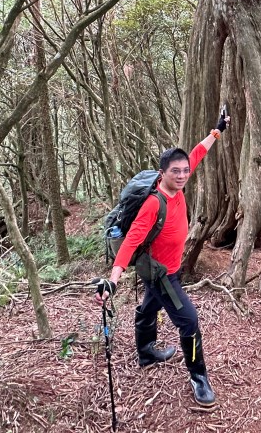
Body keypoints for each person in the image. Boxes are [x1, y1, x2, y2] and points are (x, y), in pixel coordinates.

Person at [94, 110, 229, 408]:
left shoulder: (180, 179)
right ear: (162, 173)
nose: (182, 175)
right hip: (162, 275)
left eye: (184, 171)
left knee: (149, 306)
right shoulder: (154, 204)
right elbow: (131, 242)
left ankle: (145, 352)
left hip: (167, 269)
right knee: (189, 322)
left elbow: (198, 152)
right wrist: (113, 280)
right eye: (175, 172)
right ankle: (198, 376)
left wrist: (217, 130)